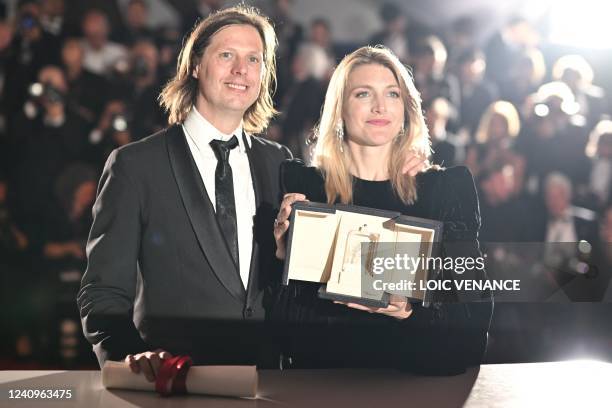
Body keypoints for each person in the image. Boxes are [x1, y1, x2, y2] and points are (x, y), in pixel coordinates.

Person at [77, 6, 292, 377]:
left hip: (267, 381)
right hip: (175, 383)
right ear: (194, 64)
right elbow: (102, 293)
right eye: (227, 55)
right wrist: (130, 360)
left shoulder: (280, 163)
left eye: (253, 59)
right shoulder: (135, 165)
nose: (241, 69)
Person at [273, 46, 492, 374]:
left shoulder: (444, 191)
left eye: (392, 93)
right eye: (363, 94)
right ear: (340, 109)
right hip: (322, 389)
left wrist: (408, 311)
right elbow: (286, 337)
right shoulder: (304, 188)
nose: (380, 106)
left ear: (406, 107)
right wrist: (281, 258)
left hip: (418, 388)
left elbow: (473, 328)